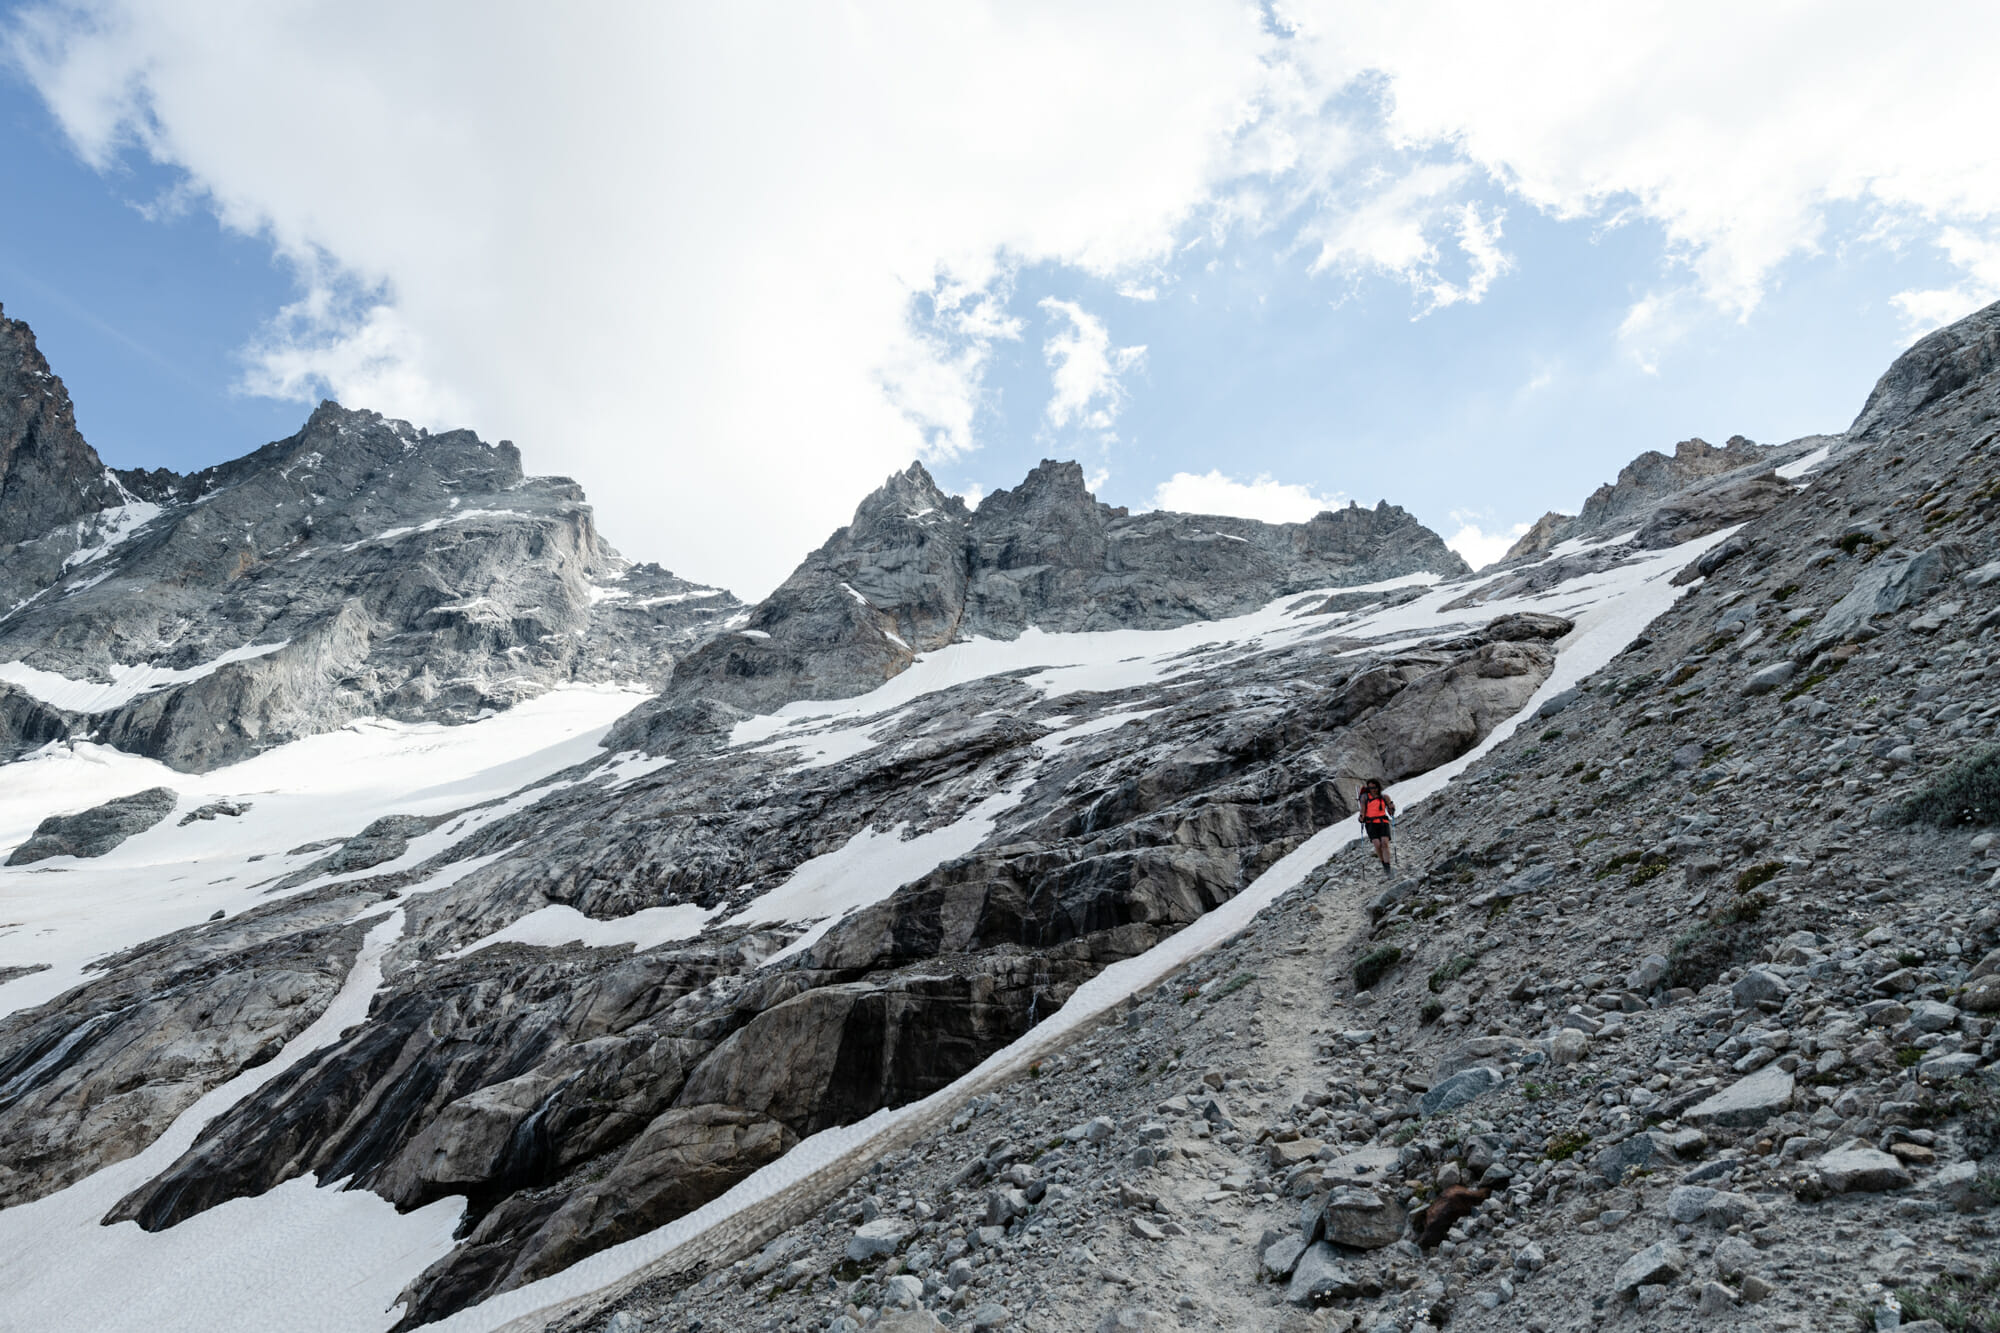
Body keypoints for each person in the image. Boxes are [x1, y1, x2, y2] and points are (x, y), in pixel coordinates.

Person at [1358, 778, 1396, 873]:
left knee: (1385, 843)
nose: (1373, 789)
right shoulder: (1365, 797)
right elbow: (1363, 810)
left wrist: (1391, 809)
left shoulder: (1385, 797)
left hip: (1383, 822)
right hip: (1370, 823)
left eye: (1374, 787)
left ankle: (1387, 866)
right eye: (1370, 787)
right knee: (1377, 845)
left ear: (1378, 787)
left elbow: (1390, 812)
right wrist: (1361, 817)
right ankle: (1383, 862)